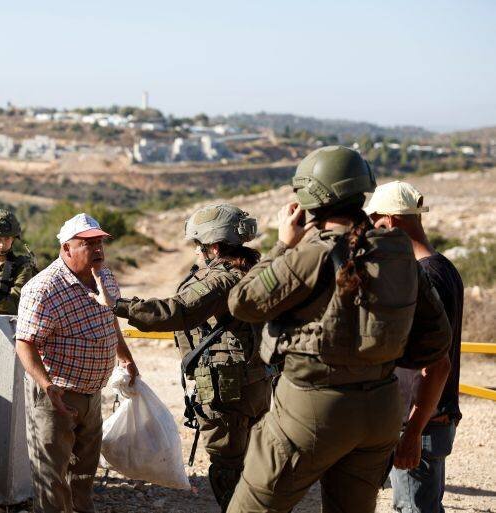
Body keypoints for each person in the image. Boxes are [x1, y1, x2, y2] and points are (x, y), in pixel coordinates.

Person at [225, 146, 452, 513]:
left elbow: (243, 302)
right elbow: (437, 340)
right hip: (380, 408)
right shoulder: (395, 251)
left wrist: (283, 243)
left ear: (312, 195)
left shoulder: (312, 251)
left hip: (314, 407)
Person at [89, 204, 273, 511]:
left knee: (229, 466)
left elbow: (176, 311)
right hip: (256, 385)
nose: (196, 253)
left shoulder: (221, 280)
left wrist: (117, 305)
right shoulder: (257, 271)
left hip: (229, 393)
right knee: (255, 462)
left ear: (214, 247)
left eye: (198, 246)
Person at [14, 212, 139, 513]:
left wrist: (126, 357)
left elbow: (110, 320)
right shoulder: (44, 288)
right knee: (52, 479)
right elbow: (25, 343)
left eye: (100, 242)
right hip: (56, 397)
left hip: (92, 394)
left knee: (83, 476)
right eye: (88, 243)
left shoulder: (104, 276)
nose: (98, 249)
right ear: (66, 248)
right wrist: (47, 385)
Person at [366, 181, 464, 513]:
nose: (373, 230)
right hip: (431, 419)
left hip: (420, 422)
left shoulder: (425, 276)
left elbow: (437, 366)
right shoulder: (443, 266)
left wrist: (411, 431)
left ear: (392, 220)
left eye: (377, 222)